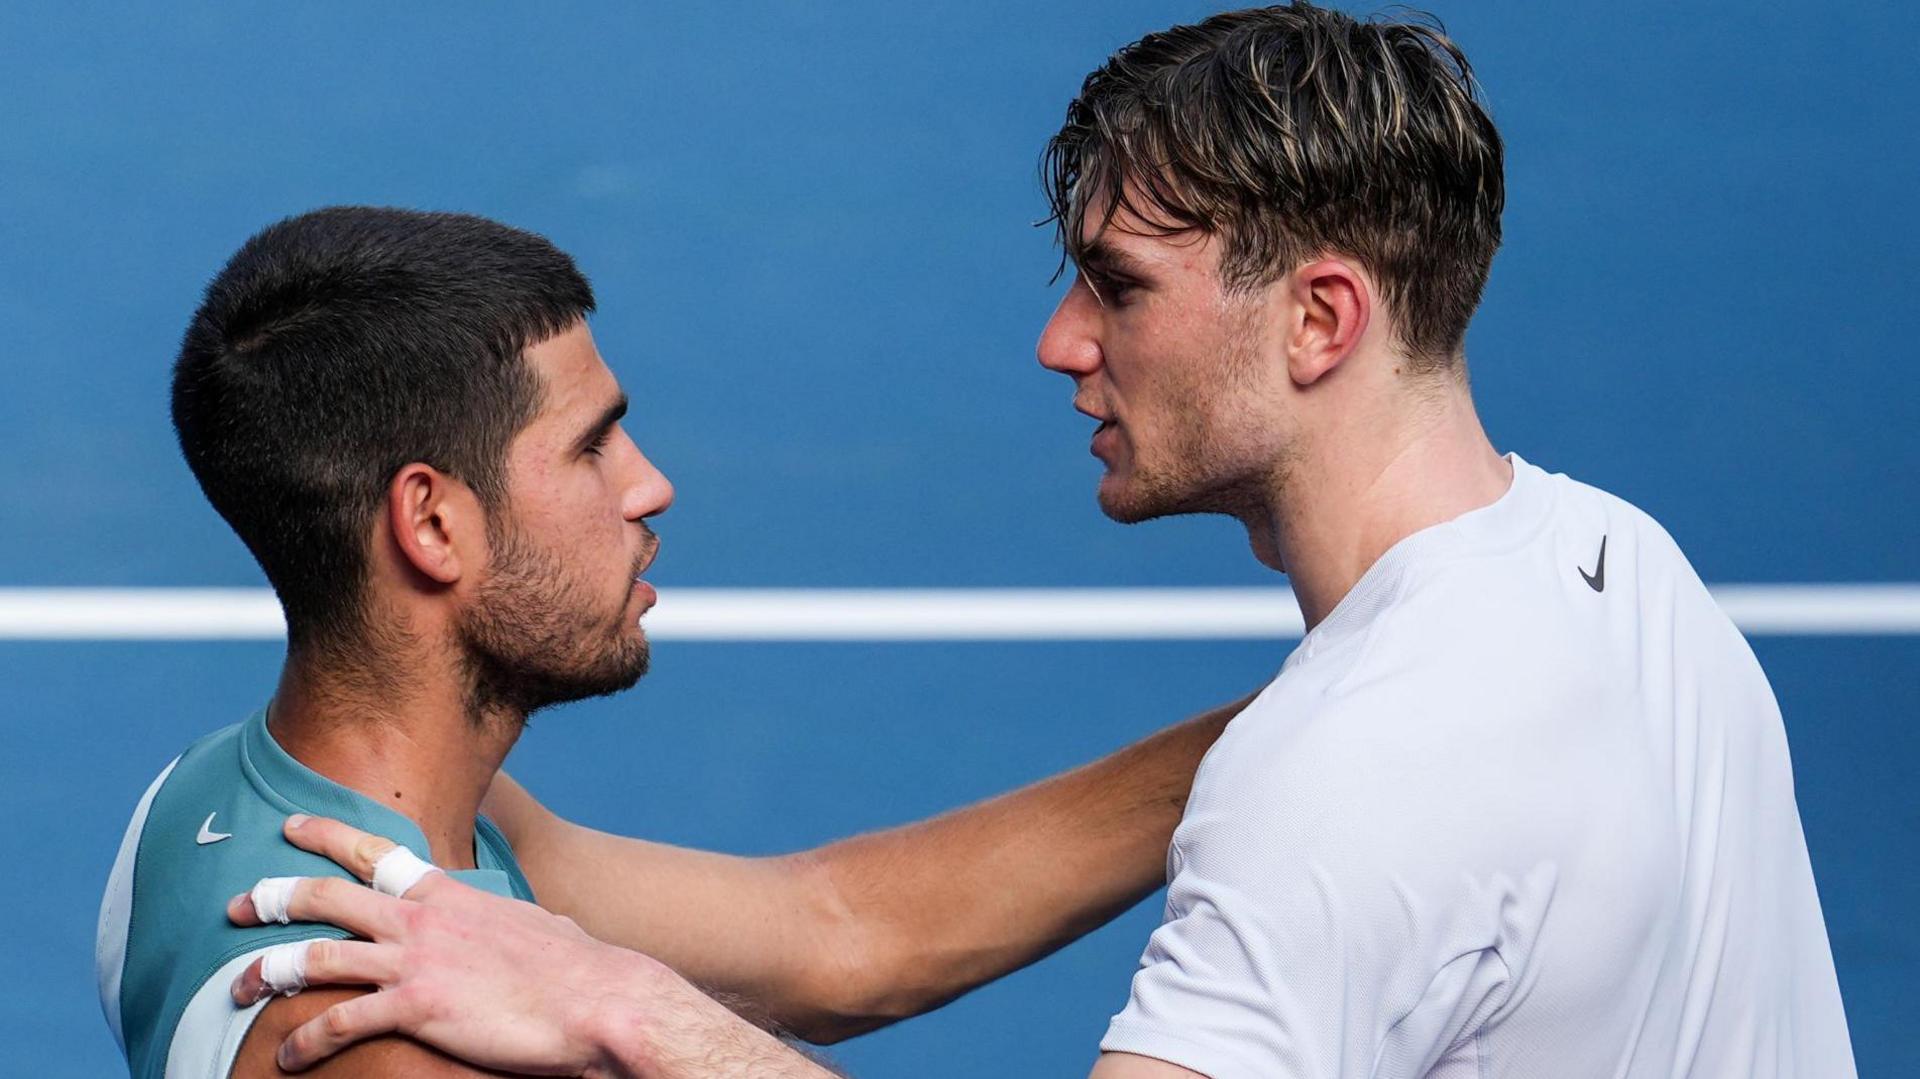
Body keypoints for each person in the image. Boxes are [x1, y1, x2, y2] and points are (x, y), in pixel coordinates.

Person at [219, 3, 1860, 1076]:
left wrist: (624, 1005)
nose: (1062, 341)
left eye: (1122, 287)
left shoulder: (1349, 791)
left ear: (1322, 319)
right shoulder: (1616, 569)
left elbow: (1368, 785)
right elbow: (840, 931)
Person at [96, 205, 1251, 1078]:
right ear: (433, 522)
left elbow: (847, 934)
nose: (650, 486)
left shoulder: (228, 806)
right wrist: (643, 1015)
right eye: (592, 446)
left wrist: (1297, 719)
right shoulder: (400, 1042)